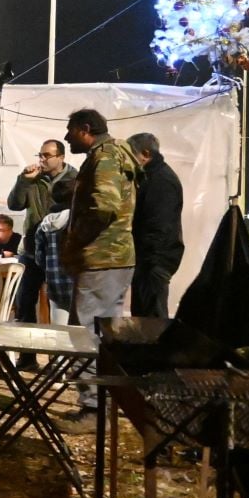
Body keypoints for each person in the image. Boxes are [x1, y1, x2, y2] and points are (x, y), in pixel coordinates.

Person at [59, 108, 141, 333]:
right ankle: (100, 370)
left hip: (102, 258)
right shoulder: (113, 153)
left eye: (70, 131)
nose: (67, 138)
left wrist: (76, 239)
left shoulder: (105, 156)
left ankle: (88, 371)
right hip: (111, 259)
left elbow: (104, 207)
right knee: (104, 333)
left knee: (85, 335)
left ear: (85, 129)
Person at [8, 140, 76, 328]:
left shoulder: (74, 178)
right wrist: (23, 181)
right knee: (24, 302)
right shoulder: (33, 178)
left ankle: (62, 351)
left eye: (47, 155)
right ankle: (26, 356)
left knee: (63, 304)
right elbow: (14, 204)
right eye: (40, 155)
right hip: (30, 249)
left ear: (61, 157)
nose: (42, 159)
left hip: (59, 252)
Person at [128, 131, 185, 318]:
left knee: (153, 318)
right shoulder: (150, 176)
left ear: (145, 154)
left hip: (155, 260)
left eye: (131, 155)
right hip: (149, 258)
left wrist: (149, 259)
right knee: (144, 316)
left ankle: (159, 348)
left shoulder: (161, 180)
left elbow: (159, 224)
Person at [28, 177, 77, 327]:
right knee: (82, 335)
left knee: (59, 332)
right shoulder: (78, 221)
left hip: (55, 285)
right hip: (79, 285)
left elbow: (39, 258)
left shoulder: (44, 224)